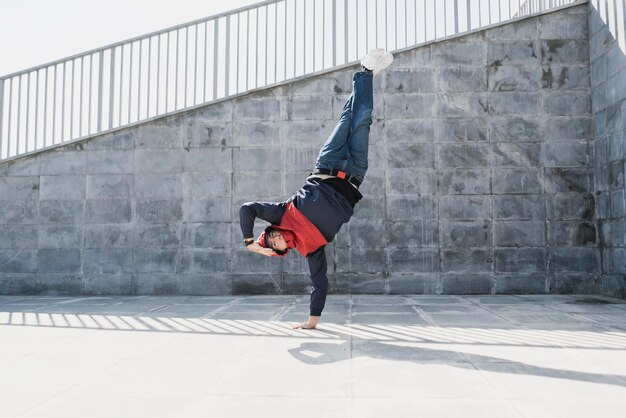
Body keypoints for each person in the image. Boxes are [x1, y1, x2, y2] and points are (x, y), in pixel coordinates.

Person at [239, 48, 394, 329]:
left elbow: (246, 208)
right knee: (362, 119)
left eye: (271, 239)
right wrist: (312, 321)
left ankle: (366, 72)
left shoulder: (280, 214)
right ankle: (366, 72)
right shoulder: (311, 249)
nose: (275, 242)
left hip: (328, 163)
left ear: (273, 232)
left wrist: (251, 244)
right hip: (355, 174)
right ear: (281, 251)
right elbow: (319, 283)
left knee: (348, 119)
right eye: (274, 247)